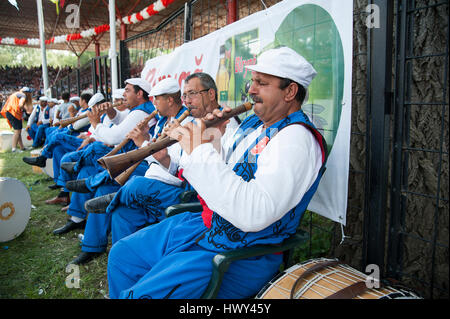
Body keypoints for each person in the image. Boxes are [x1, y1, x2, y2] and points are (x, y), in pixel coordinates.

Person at [107, 47, 328, 299]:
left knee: (141, 296)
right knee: (123, 254)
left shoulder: (296, 139)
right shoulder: (255, 124)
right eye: (252, 81)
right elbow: (226, 175)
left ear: (290, 92)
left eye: (261, 83)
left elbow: (255, 213)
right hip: (206, 226)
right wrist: (213, 140)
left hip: (242, 253)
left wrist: (198, 150)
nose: (251, 90)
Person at [103, 73, 239, 246]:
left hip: (196, 197)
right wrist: (164, 158)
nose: (187, 101)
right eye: (185, 96)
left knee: (136, 184)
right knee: (123, 212)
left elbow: (217, 171)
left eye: (192, 94)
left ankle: (115, 198)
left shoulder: (228, 125)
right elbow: (178, 165)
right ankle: (119, 248)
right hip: (179, 184)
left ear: (211, 94)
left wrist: (178, 142)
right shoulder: (194, 122)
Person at [51, 78, 157, 238]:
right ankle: (77, 218)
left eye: (127, 90)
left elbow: (114, 137)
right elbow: (122, 121)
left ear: (140, 93)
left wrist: (95, 123)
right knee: (87, 170)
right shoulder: (139, 110)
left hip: (135, 163)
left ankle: (80, 174)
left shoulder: (142, 112)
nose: (123, 95)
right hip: (129, 158)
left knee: (96, 150)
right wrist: (111, 112)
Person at [0, 86, 33, 152]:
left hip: (10, 112)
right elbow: (20, 105)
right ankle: (14, 148)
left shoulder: (16, 94)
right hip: (13, 113)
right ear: (27, 93)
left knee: (19, 131)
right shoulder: (23, 95)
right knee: (17, 131)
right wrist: (25, 109)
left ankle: (22, 147)